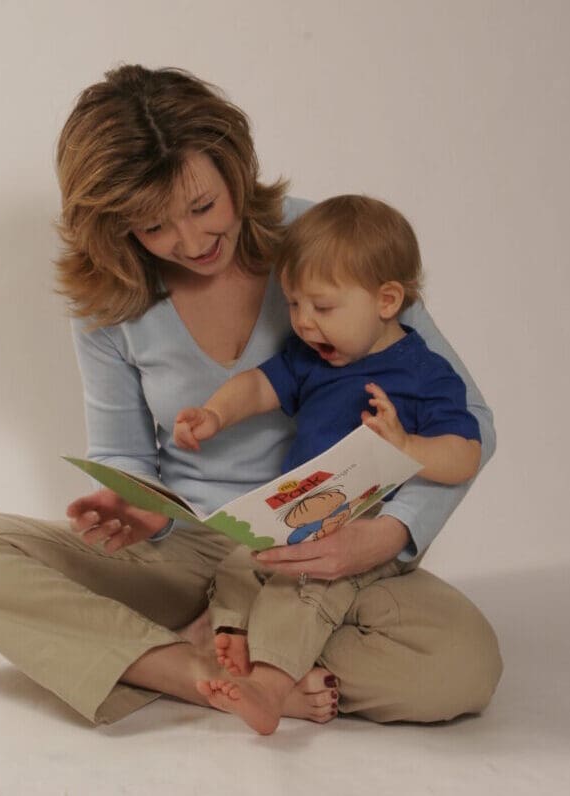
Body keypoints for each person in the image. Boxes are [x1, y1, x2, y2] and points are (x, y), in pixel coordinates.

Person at [0, 64, 501, 728]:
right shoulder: (113, 297)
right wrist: (134, 506)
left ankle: (186, 649)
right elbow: (124, 451)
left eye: (203, 206)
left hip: (314, 558)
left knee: (459, 666)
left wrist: (388, 534)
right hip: (180, 556)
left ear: (235, 167)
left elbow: (468, 423)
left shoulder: (327, 246)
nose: (190, 242)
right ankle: (188, 670)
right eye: (152, 227)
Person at [172, 195, 482, 734]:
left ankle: (270, 687)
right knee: (240, 563)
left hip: (363, 528)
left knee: (307, 585)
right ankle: (232, 634)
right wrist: (216, 414)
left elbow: (465, 454)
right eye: (293, 305)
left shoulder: (424, 375)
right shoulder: (309, 358)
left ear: (387, 300)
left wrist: (407, 447)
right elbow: (259, 386)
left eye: (322, 307)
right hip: (297, 518)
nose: (305, 323)